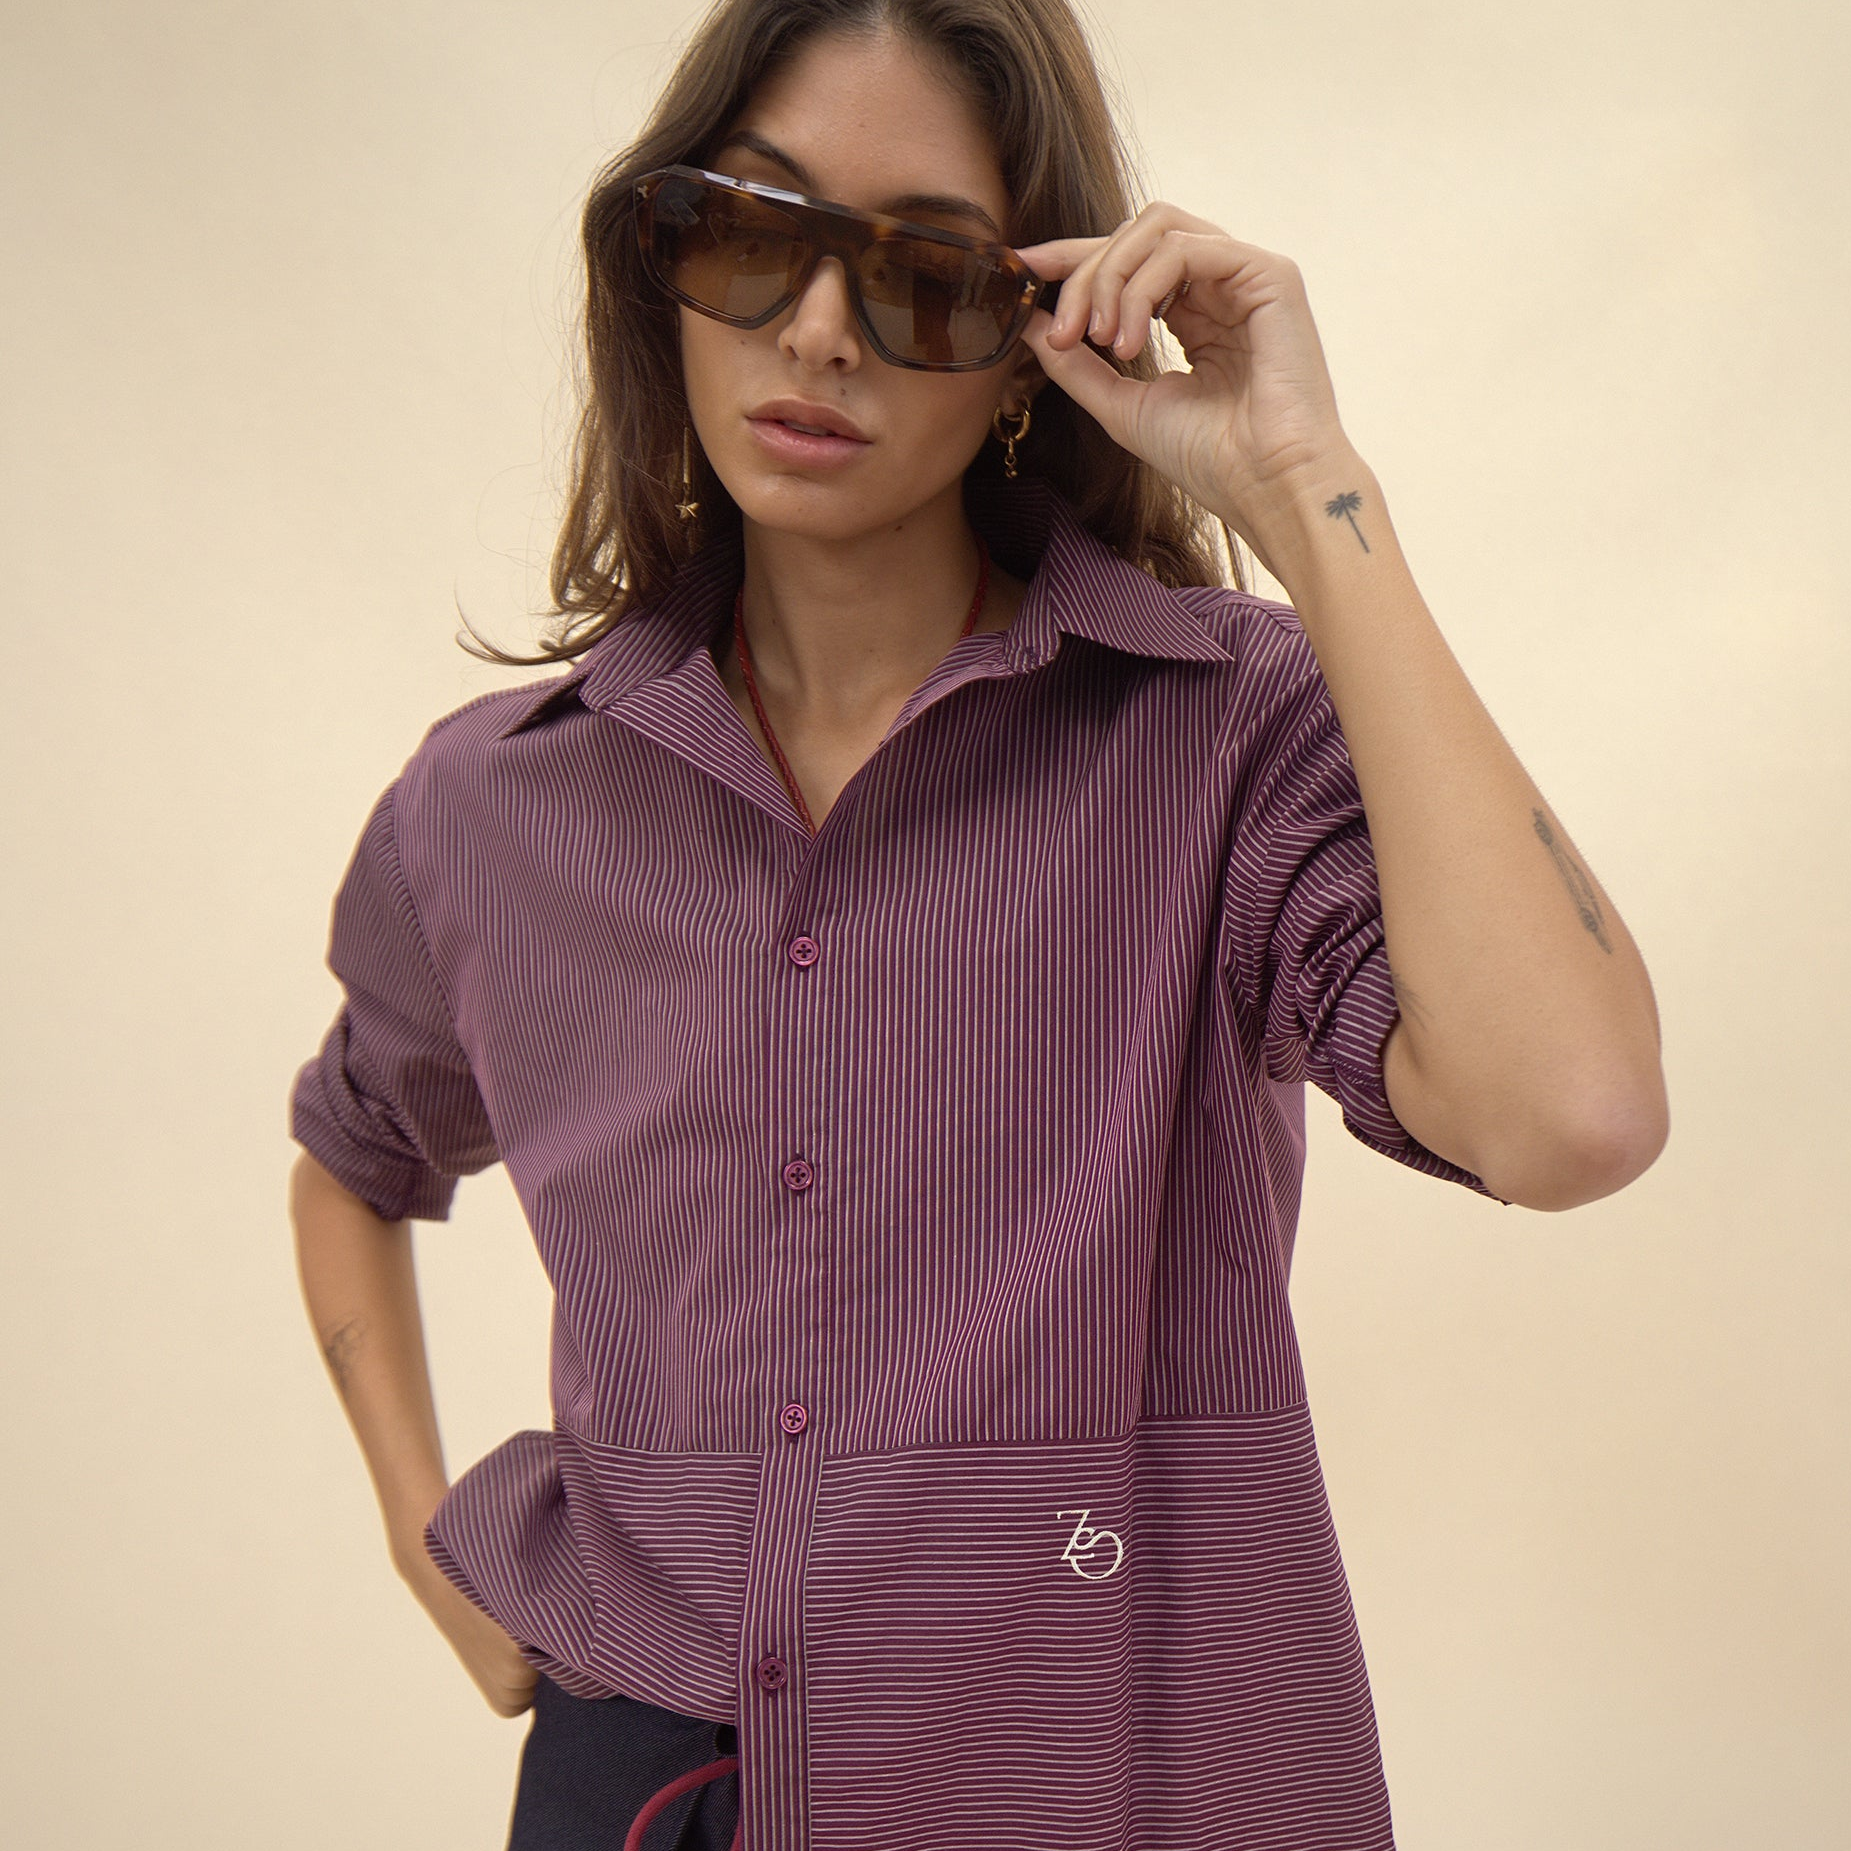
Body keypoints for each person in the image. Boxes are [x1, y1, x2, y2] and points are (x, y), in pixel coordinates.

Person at [287, 0, 1669, 1846]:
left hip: (1114, 1780)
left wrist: (1306, 488)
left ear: (1032, 338)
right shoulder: (492, 805)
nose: (817, 330)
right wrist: (419, 1538)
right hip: (653, 1780)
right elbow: (352, 1156)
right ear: (660, 265)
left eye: (923, 275)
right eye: (750, 233)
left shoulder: (1218, 733)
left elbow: (1570, 1112)